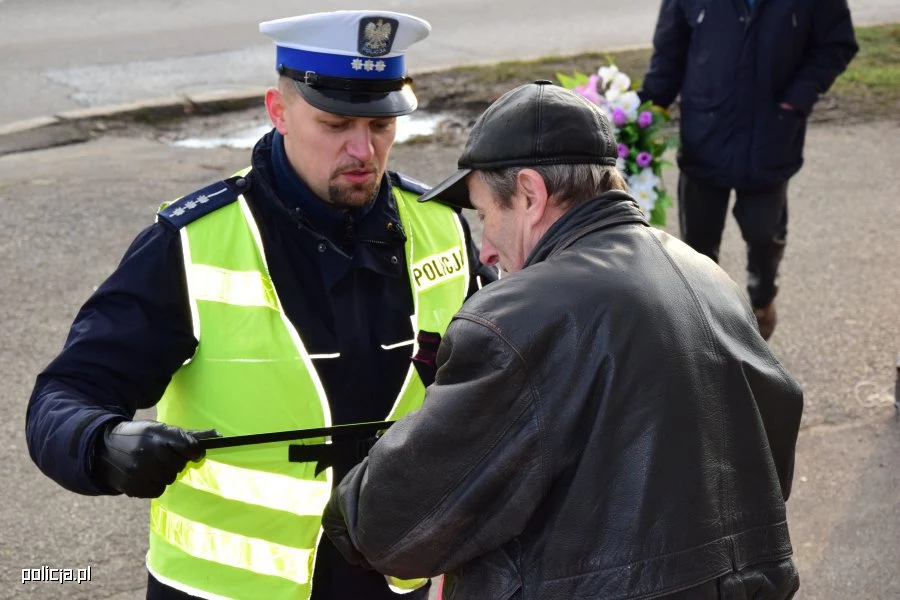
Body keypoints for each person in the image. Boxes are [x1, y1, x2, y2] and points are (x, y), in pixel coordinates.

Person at [25, 10, 495, 600]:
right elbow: (63, 395)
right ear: (278, 111)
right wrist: (103, 443)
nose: (363, 149)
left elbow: (492, 383)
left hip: (392, 579)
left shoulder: (441, 227)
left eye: (380, 125)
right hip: (222, 588)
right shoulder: (193, 240)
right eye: (335, 123)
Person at [322, 81, 805, 599]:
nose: (485, 249)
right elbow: (773, 439)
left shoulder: (521, 317)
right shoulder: (707, 276)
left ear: (530, 194)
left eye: (486, 215)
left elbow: (393, 528)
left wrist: (353, 505)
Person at [637, 0, 858, 340]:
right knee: (697, 243)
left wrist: (799, 95)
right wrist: (643, 114)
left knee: (763, 234)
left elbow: (838, 42)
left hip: (771, 136)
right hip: (705, 135)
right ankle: (705, 317)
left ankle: (761, 301)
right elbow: (669, 56)